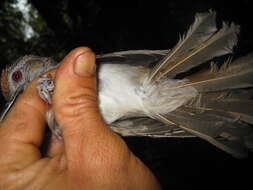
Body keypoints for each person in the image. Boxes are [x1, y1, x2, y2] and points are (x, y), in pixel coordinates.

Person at [0, 47, 161, 190]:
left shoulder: (72, 68)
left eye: (17, 77)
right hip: (144, 106)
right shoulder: (47, 123)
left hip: (138, 80)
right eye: (17, 93)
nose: (21, 91)